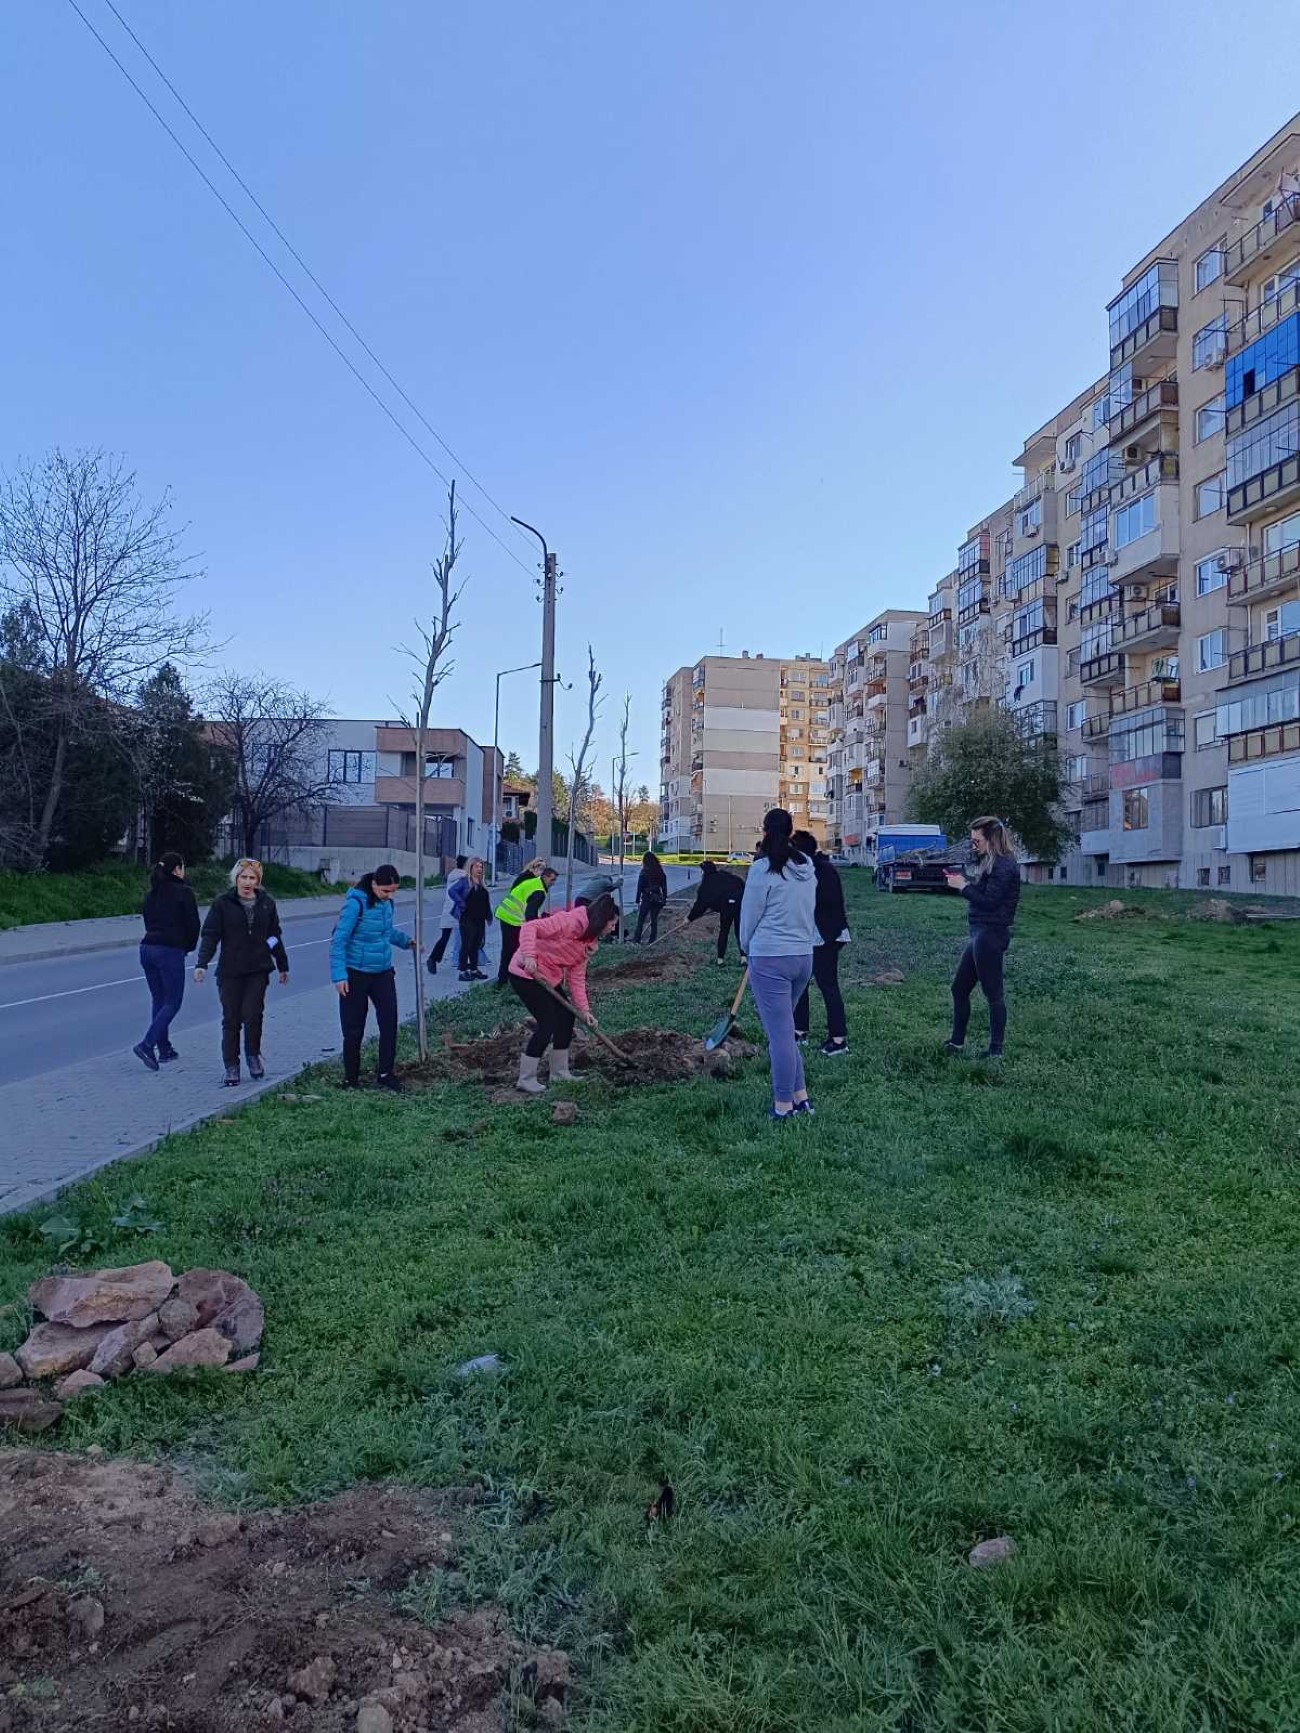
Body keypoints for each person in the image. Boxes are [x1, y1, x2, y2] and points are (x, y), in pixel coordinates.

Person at [739, 810, 817, 1120]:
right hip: (803, 957)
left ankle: (783, 1106)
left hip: (771, 958)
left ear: (765, 830)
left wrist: (746, 947)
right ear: (790, 830)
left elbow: (749, 916)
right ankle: (800, 1097)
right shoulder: (806, 866)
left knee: (780, 1036)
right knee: (784, 1030)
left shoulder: (762, 869)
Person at [508, 891, 620, 1095]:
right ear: (602, 920)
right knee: (548, 1023)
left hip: (548, 977)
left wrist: (585, 1011)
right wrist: (530, 956)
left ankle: (559, 1072)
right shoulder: (571, 922)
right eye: (612, 924)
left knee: (567, 1017)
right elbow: (529, 927)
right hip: (525, 973)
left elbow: (576, 978)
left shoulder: (588, 942)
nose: (613, 929)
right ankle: (526, 1079)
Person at [195, 858, 288, 1086]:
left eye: (252, 878)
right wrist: (202, 963)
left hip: (258, 968)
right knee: (231, 1018)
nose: (247, 882)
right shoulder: (222, 904)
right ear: (236, 879)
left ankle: (253, 1055)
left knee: (253, 1014)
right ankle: (231, 1066)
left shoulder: (267, 904)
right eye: (243, 877)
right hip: (230, 970)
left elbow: (274, 935)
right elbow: (211, 935)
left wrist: (282, 964)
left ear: (258, 881)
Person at [330, 863, 416, 1092]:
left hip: (382, 973)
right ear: (374, 884)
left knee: (389, 1021)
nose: (390, 896)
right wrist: (339, 976)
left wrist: (406, 941)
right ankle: (351, 1079)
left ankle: (386, 1073)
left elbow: (386, 932)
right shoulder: (355, 904)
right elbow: (339, 941)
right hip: (355, 974)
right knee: (353, 1029)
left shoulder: (387, 904)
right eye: (386, 891)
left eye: (394, 891)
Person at [943, 816, 1021, 1060]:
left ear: (991, 839)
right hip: (981, 933)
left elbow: (990, 902)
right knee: (959, 988)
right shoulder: (991, 861)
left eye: (977, 840)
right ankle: (956, 1042)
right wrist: (962, 882)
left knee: (993, 994)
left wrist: (963, 887)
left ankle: (996, 1051)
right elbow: (984, 894)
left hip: (990, 934)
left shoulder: (1004, 865)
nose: (973, 845)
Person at [133, 851, 201, 1071]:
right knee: (173, 1002)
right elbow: (193, 925)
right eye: (182, 867)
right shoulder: (184, 892)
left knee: (159, 1000)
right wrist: (187, 947)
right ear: (177, 870)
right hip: (169, 951)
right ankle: (147, 1045)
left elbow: (147, 921)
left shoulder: (151, 894)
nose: (184, 871)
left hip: (147, 948)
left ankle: (164, 1049)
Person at [791, 830, 850, 1057]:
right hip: (829, 933)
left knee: (824, 984)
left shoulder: (811, 872)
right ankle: (800, 1031)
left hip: (823, 936)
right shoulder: (824, 868)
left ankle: (838, 1040)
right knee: (804, 982)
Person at [494, 858, 556, 985]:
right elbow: (530, 914)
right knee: (512, 950)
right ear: (544, 876)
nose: (553, 883)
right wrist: (535, 930)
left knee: (512, 949)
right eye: (552, 880)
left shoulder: (533, 882)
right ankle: (505, 981)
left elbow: (531, 907)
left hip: (510, 916)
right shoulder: (538, 889)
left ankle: (507, 979)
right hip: (512, 918)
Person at [686, 859, 746, 964]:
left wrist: (689, 918)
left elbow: (701, 904)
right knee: (739, 931)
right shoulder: (726, 876)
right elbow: (741, 884)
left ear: (705, 871)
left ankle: (720, 960)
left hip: (727, 907)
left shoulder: (707, 883)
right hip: (740, 904)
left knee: (724, 931)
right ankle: (743, 957)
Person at [426, 855, 467, 975]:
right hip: (458, 911)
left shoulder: (452, 875)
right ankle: (461, 962)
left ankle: (433, 959)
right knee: (466, 937)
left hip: (448, 911)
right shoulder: (465, 877)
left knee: (445, 938)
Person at [456, 856, 491, 981]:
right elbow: (452, 892)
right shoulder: (465, 882)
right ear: (470, 867)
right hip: (467, 919)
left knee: (476, 945)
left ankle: (474, 970)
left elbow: (486, 902)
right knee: (466, 945)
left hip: (480, 919)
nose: (479, 869)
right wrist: (461, 904)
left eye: (481, 867)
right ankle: (462, 971)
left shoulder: (482, 884)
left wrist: (489, 916)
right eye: (476, 866)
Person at [632, 851, 668, 944]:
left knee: (641, 920)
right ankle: (652, 939)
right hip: (657, 898)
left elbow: (640, 887)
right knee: (654, 920)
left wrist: (637, 900)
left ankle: (637, 939)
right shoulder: (660, 871)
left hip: (647, 898)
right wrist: (664, 899)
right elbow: (664, 887)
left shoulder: (644, 872)